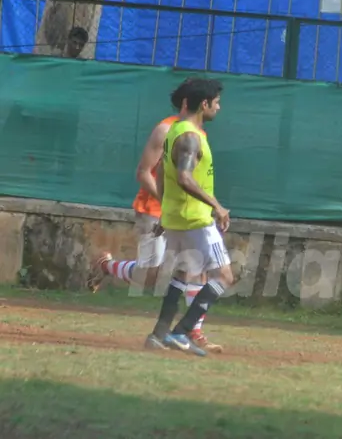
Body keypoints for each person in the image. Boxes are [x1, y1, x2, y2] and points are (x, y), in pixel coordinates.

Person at [86, 82, 222, 353]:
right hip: (154, 209)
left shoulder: (195, 132)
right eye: (212, 100)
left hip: (182, 214)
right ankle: (107, 266)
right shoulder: (166, 130)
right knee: (150, 277)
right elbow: (144, 172)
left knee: (198, 268)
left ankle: (190, 331)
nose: (216, 106)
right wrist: (167, 203)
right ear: (189, 102)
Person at [146, 77, 234, 357]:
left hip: (177, 218)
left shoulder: (174, 131)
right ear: (204, 104)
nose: (219, 108)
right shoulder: (191, 137)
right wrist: (216, 206)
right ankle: (180, 332)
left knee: (182, 275)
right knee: (224, 276)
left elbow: (160, 171)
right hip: (196, 219)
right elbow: (183, 177)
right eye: (216, 103)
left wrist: (164, 208)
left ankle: (157, 335)